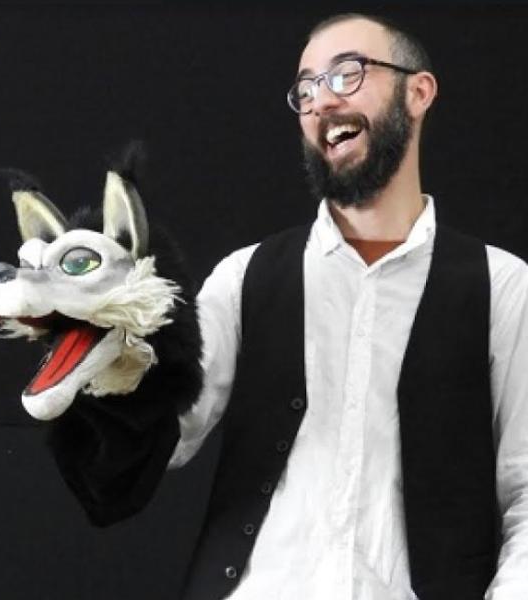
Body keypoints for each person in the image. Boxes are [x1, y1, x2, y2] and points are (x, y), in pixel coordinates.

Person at [47, 13, 528, 600]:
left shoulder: (504, 286)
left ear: (418, 92)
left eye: (347, 74)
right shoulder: (244, 277)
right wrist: (100, 349)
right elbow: (162, 433)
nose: (321, 101)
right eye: (305, 89)